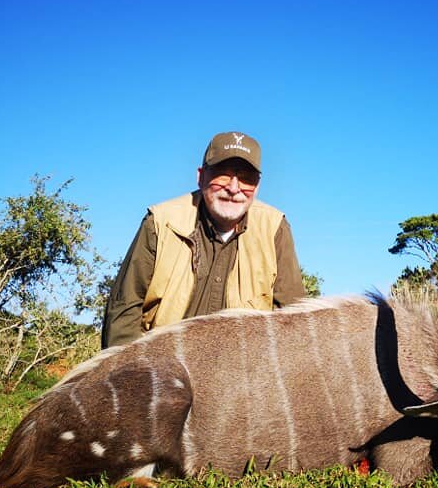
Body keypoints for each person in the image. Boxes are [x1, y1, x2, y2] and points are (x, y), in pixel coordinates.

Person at [102, 131, 305, 348]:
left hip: (242, 372)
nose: (234, 188)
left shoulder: (275, 227)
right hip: (164, 367)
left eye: (246, 178)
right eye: (223, 174)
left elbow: (294, 319)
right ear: (201, 176)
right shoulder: (160, 222)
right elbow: (123, 312)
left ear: (257, 187)